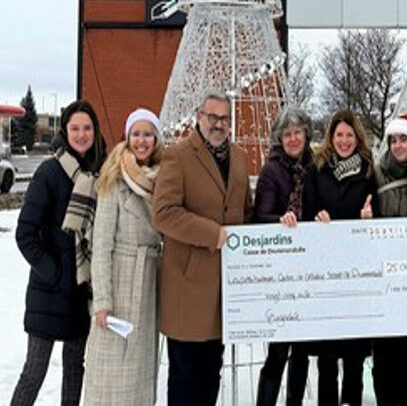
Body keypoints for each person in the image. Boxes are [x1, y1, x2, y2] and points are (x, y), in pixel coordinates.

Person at [152, 92, 252, 405]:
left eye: (224, 119)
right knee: (185, 375)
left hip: (224, 289)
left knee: (211, 373)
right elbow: (163, 214)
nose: (218, 124)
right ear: (199, 117)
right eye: (212, 117)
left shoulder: (239, 157)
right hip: (187, 289)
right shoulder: (178, 156)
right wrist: (212, 234)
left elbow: (244, 211)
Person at [11, 100, 107, 406]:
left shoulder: (100, 173)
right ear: (65, 131)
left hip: (81, 292)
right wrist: (55, 273)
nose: (81, 134)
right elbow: (25, 233)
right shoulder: (50, 172)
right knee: (35, 370)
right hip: (48, 292)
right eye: (75, 128)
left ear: (95, 131)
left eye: (87, 128)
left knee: (74, 370)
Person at [82, 108, 164, 404]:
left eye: (148, 134)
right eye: (136, 134)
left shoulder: (163, 178)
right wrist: (102, 301)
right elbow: (101, 245)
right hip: (118, 284)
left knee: (140, 374)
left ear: (156, 138)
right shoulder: (113, 179)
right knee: (110, 374)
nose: (142, 141)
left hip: (148, 281)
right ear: (127, 138)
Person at [302, 109, 379, 406]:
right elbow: (307, 216)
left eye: (349, 135)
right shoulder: (316, 170)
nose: (344, 140)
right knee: (326, 360)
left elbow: (377, 215)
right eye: (339, 135)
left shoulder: (368, 171)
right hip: (326, 276)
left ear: (357, 137)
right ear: (330, 138)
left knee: (355, 358)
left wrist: (368, 218)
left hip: (357, 276)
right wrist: (316, 219)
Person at [254, 106, 313, 406]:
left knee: (302, 350)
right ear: (280, 138)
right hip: (280, 270)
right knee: (278, 350)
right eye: (287, 134)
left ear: (306, 134)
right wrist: (279, 220)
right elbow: (259, 216)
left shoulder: (314, 167)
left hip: (308, 269)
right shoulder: (271, 170)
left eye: (297, 132)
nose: (292, 138)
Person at [370, 113, 407, 406]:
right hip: (383, 277)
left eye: (403, 139)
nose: (397, 145)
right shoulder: (377, 174)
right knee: (384, 355)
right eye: (393, 140)